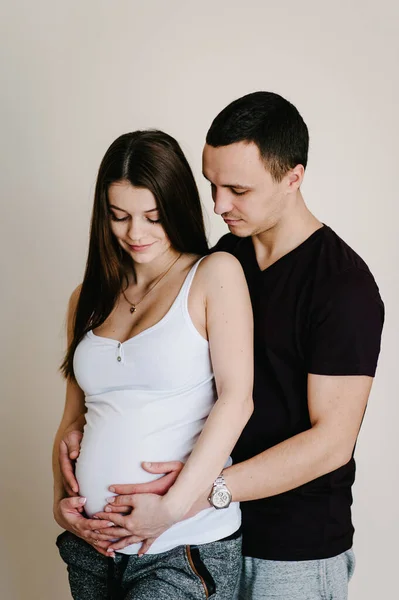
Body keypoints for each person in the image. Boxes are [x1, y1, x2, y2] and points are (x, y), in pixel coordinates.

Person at [60, 93, 384, 600]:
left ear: (293, 177)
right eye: (212, 185)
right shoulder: (223, 256)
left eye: (237, 189)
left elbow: (332, 443)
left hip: (291, 547)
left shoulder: (342, 286)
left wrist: (202, 492)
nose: (218, 206)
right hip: (207, 531)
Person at [52, 129, 254, 599]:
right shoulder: (85, 300)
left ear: (176, 206)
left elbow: (237, 400)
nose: (135, 233)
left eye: (152, 216)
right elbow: (71, 420)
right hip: (92, 547)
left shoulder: (213, 274)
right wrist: (61, 507)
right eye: (119, 216)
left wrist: (171, 509)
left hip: (180, 545)